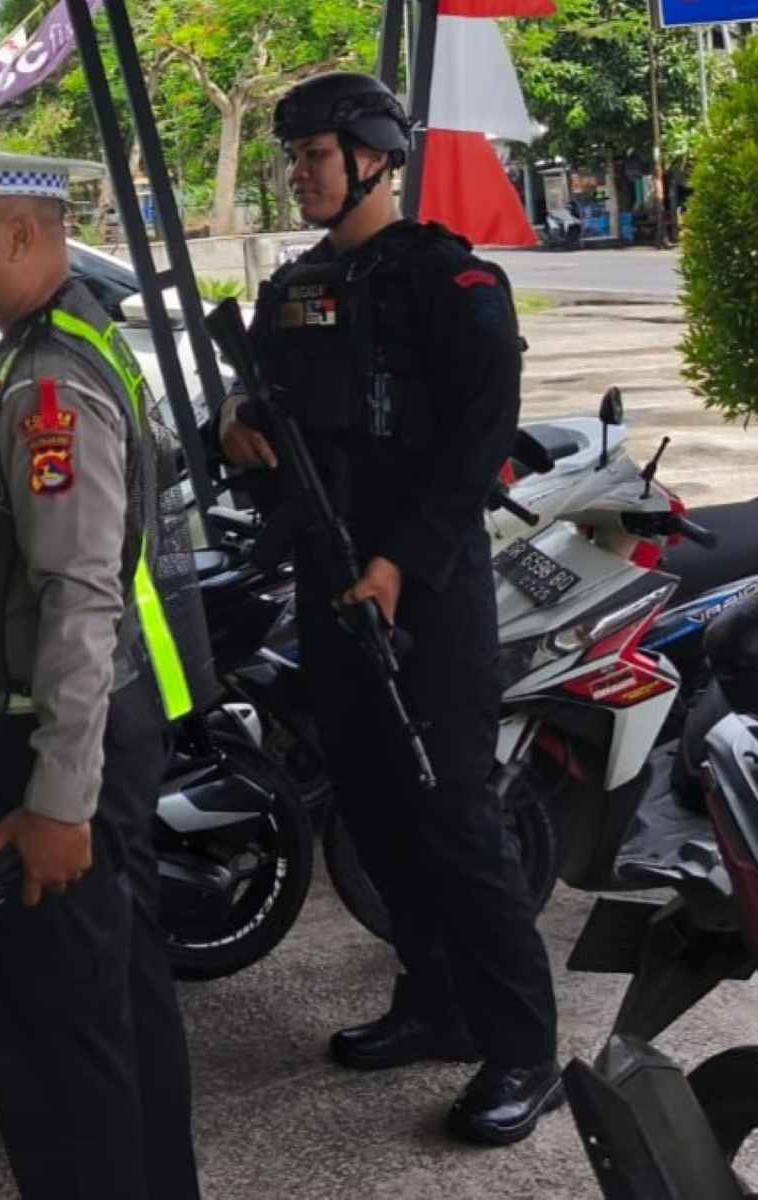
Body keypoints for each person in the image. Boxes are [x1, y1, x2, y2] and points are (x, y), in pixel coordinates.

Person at [219, 72, 561, 1145]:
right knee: (370, 809)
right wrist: (233, 428)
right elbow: (262, 413)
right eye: (294, 157)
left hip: (430, 596)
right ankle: (435, 1002)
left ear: (373, 156)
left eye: (315, 155)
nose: (299, 174)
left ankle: (524, 1052)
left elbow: (478, 445)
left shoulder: (452, 284)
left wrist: (400, 564)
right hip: (329, 583)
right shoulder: (295, 289)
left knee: (456, 819)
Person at [0, 127, 209, 1200]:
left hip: (46, 745)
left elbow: (79, 600)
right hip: (66, 734)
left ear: (19, 236)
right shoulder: (43, 351)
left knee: (59, 1045)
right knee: (113, 1006)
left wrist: (57, 801)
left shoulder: (49, 386)